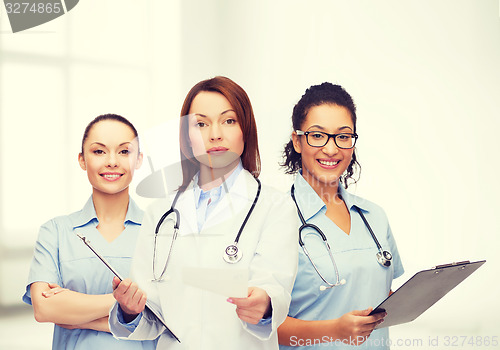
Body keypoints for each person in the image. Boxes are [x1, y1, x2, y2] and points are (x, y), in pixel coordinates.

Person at [109, 76, 298, 349]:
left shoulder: (275, 207)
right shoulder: (159, 213)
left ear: (246, 128)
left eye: (228, 120)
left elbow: (275, 289)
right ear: (188, 137)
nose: (215, 134)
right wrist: (129, 310)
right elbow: (151, 315)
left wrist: (265, 305)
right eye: (201, 123)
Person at [277, 83, 404, 349]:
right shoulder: (275, 219)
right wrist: (333, 330)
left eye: (343, 137)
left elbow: (381, 294)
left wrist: (419, 295)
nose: (332, 149)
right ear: (298, 141)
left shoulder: (374, 216)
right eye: (318, 136)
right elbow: (262, 325)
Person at [22, 114, 157, 349]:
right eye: (99, 151)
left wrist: (74, 311)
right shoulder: (55, 231)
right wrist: (126, 303)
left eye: (124, 151)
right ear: (82, 160)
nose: (112, 161)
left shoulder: (159, 232)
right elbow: (43, 309)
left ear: (138, 160)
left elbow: (166, 313)